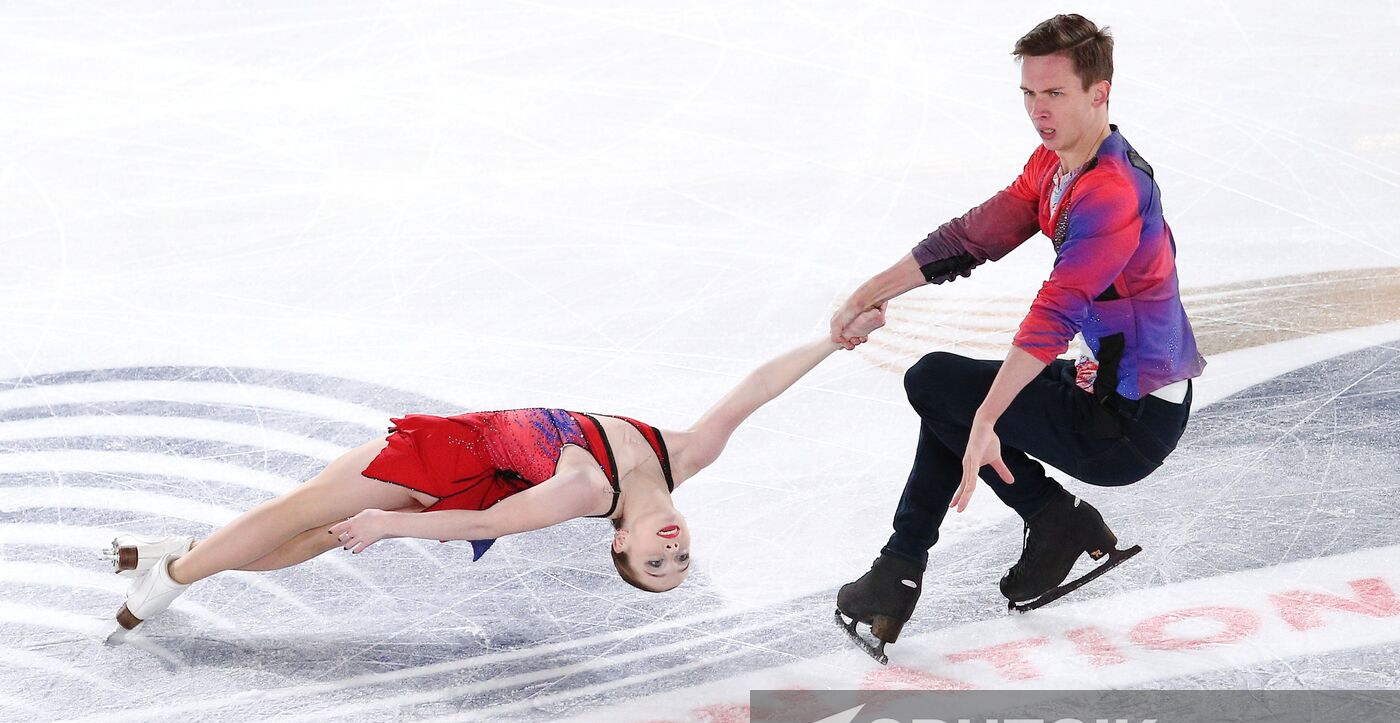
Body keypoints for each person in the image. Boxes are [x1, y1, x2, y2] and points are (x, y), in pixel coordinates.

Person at [107, 308, 886, 634]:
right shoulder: (687, 455)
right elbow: (755, 390)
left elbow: (482, 523)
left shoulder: (585, 490)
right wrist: (834, 341)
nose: (673, 549)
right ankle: (187, 554)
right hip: (471, 454)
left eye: (656, 563)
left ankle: (171, 574)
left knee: (303, 511)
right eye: (680, 560)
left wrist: (389, 521)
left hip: (453, 465)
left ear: (619, 547)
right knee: (309, 530)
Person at [828, 14, 1206, 663]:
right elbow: (975, 235)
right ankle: (916, 567)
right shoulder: (1057, 164)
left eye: (1054, 94)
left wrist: (989, 418)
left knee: (939, 384)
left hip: (1128, 423)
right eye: (1029, 94)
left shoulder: (1111, 194)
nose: (1038, 110)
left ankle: (936, 556)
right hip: (1099, 384)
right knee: (952, 398)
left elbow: (1053, 314)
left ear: (1098, 94)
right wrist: (873, 291)